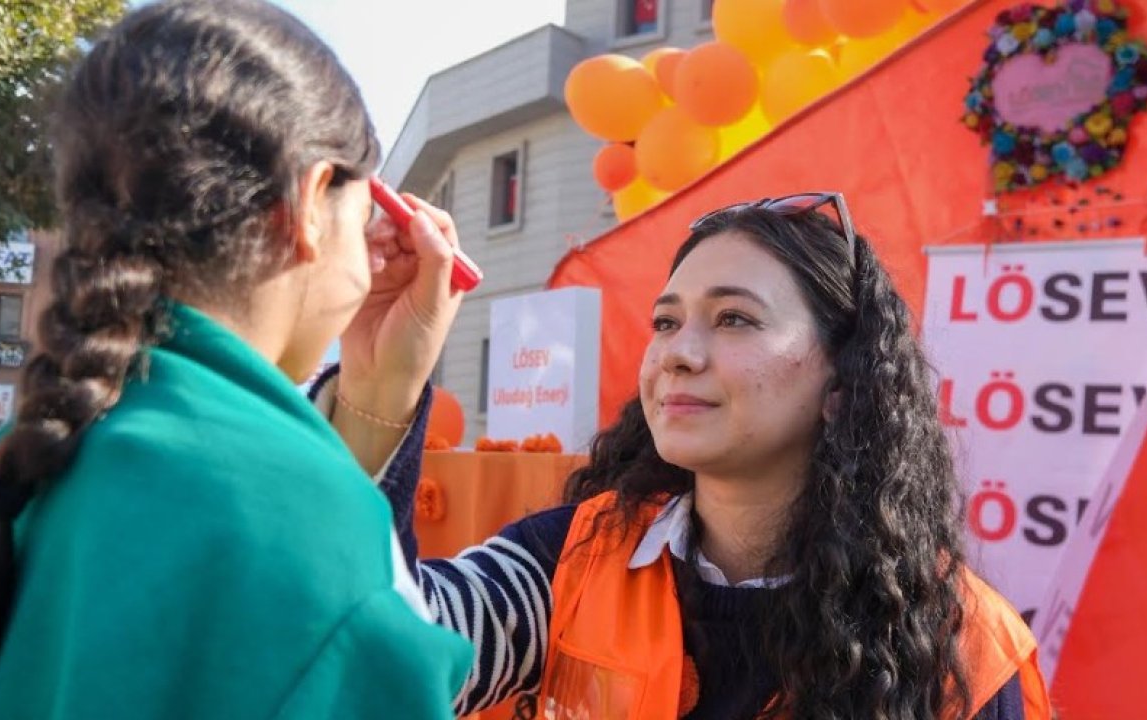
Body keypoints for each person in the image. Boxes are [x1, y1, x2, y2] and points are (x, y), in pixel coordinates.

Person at [329, 193, 1053, 719]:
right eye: (666, 322)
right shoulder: (568, 566)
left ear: (842, 383)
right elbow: (371, 661)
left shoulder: (964, 648)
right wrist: (380, 384)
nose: (678, 354)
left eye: (734, 318)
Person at [0, 1, 470, 717]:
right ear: (308, 202)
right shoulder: (317, 546)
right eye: (368, 213)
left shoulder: (21, 464)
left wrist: (376, 388)